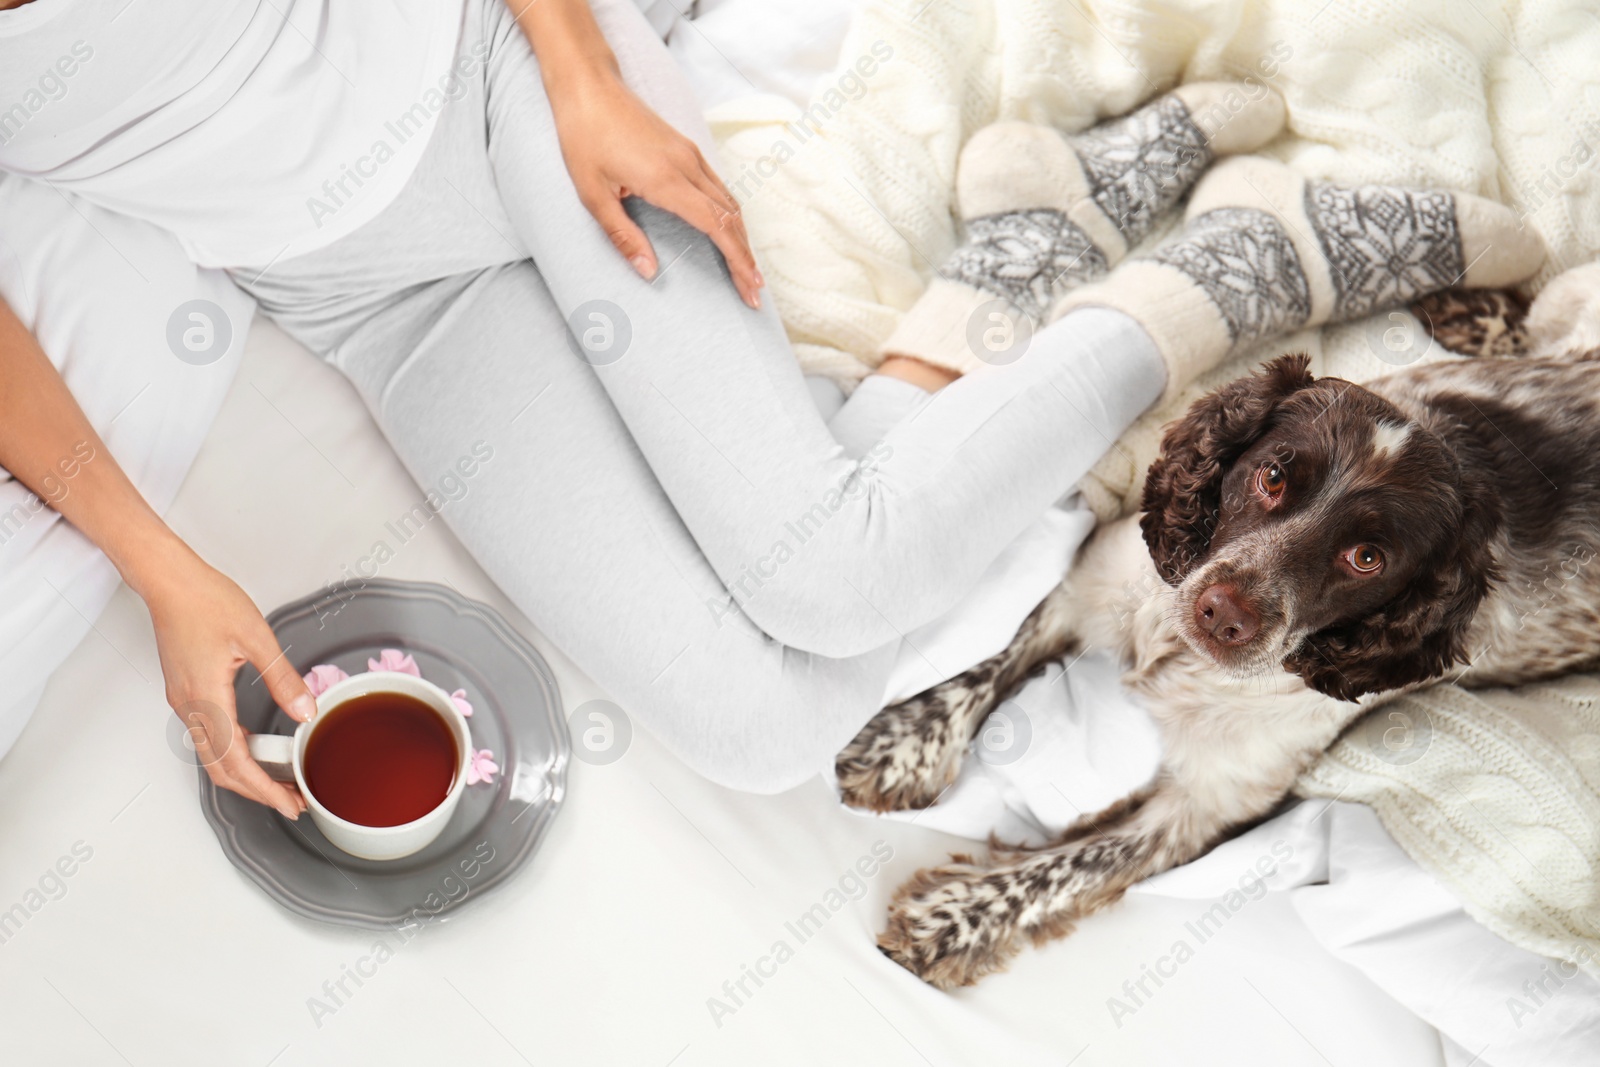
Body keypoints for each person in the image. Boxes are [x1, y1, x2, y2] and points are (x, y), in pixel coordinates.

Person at [0, 0, 1538, 816]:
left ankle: (1232, 273)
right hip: (372, 300)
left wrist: (580, 65)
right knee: (757, 730)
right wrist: (170, 570)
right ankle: (1010, 269)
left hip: (505, 80)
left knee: (836, 572)